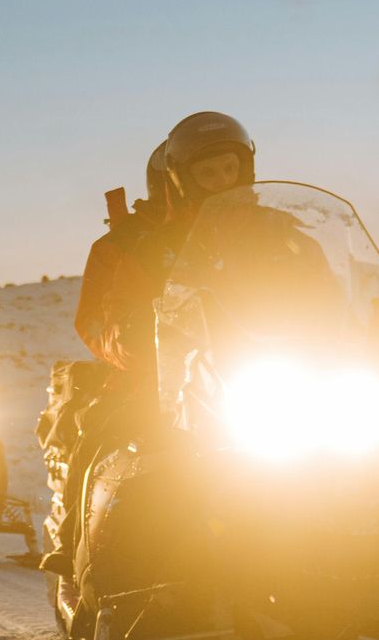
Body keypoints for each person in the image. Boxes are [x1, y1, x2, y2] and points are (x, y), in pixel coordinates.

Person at [41, 112, 258, 573]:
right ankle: (80, 554)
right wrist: (135, 341)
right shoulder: (135, 244)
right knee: (107, 431)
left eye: (229, 169)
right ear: (180, 179)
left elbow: (327, 293)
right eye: (207, 172)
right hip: (164, 381)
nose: (221, 181)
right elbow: (99, 320)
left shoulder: (279, 235)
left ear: (246, 169)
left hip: (269, 376)